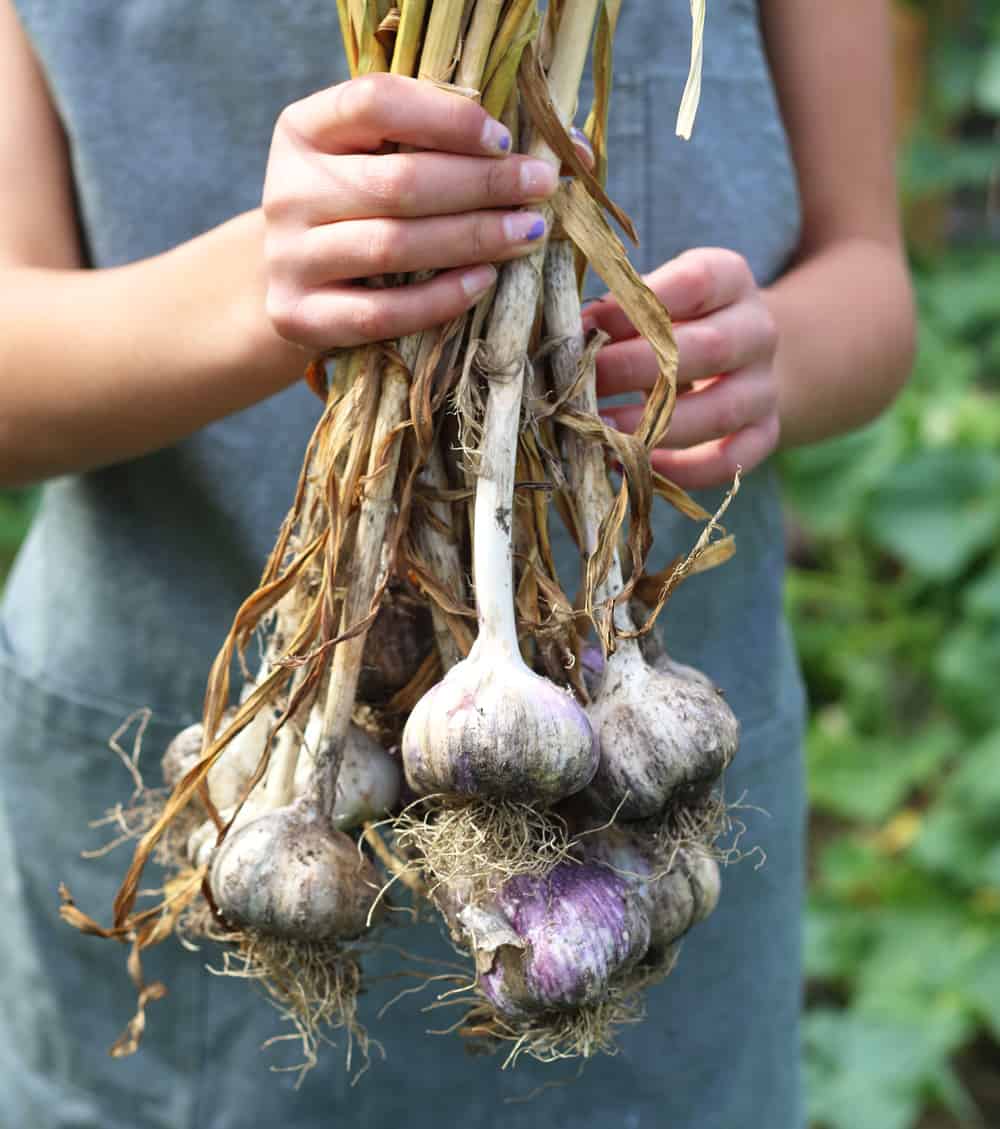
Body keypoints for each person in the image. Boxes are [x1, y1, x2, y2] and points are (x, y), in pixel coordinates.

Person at [0, 0, 914, 1126]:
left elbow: (872, 278)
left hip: (638, 819)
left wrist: (768, 360)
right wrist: (263, 289)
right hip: (180, 740)